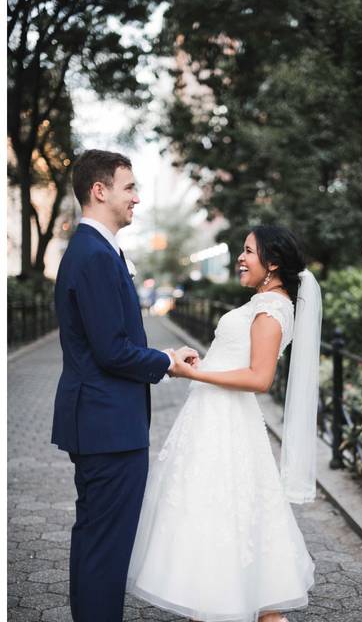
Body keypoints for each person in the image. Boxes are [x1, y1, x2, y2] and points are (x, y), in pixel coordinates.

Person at [127, 226, 321, 622]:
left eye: (248, 251)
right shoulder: (264, 302)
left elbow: (258, 378)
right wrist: (206, 365)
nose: (240, 258)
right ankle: (230, 601)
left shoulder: (270, 309)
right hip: (213, 416)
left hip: (227, 421)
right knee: (219, 511)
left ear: (273, 262)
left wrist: (194, 375)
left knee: (219, 509)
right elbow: (237, 361)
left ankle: (226, 604)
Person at [52, 149, 200, 622]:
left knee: (97, 539)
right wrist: (166, 360)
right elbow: (111, 350)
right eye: (130, 187)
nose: (137, 197)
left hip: (104, 421)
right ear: (100, 191)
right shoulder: (94, 255)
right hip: (106, 426)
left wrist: (163, 357)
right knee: (105, 547)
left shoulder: (99, 250)